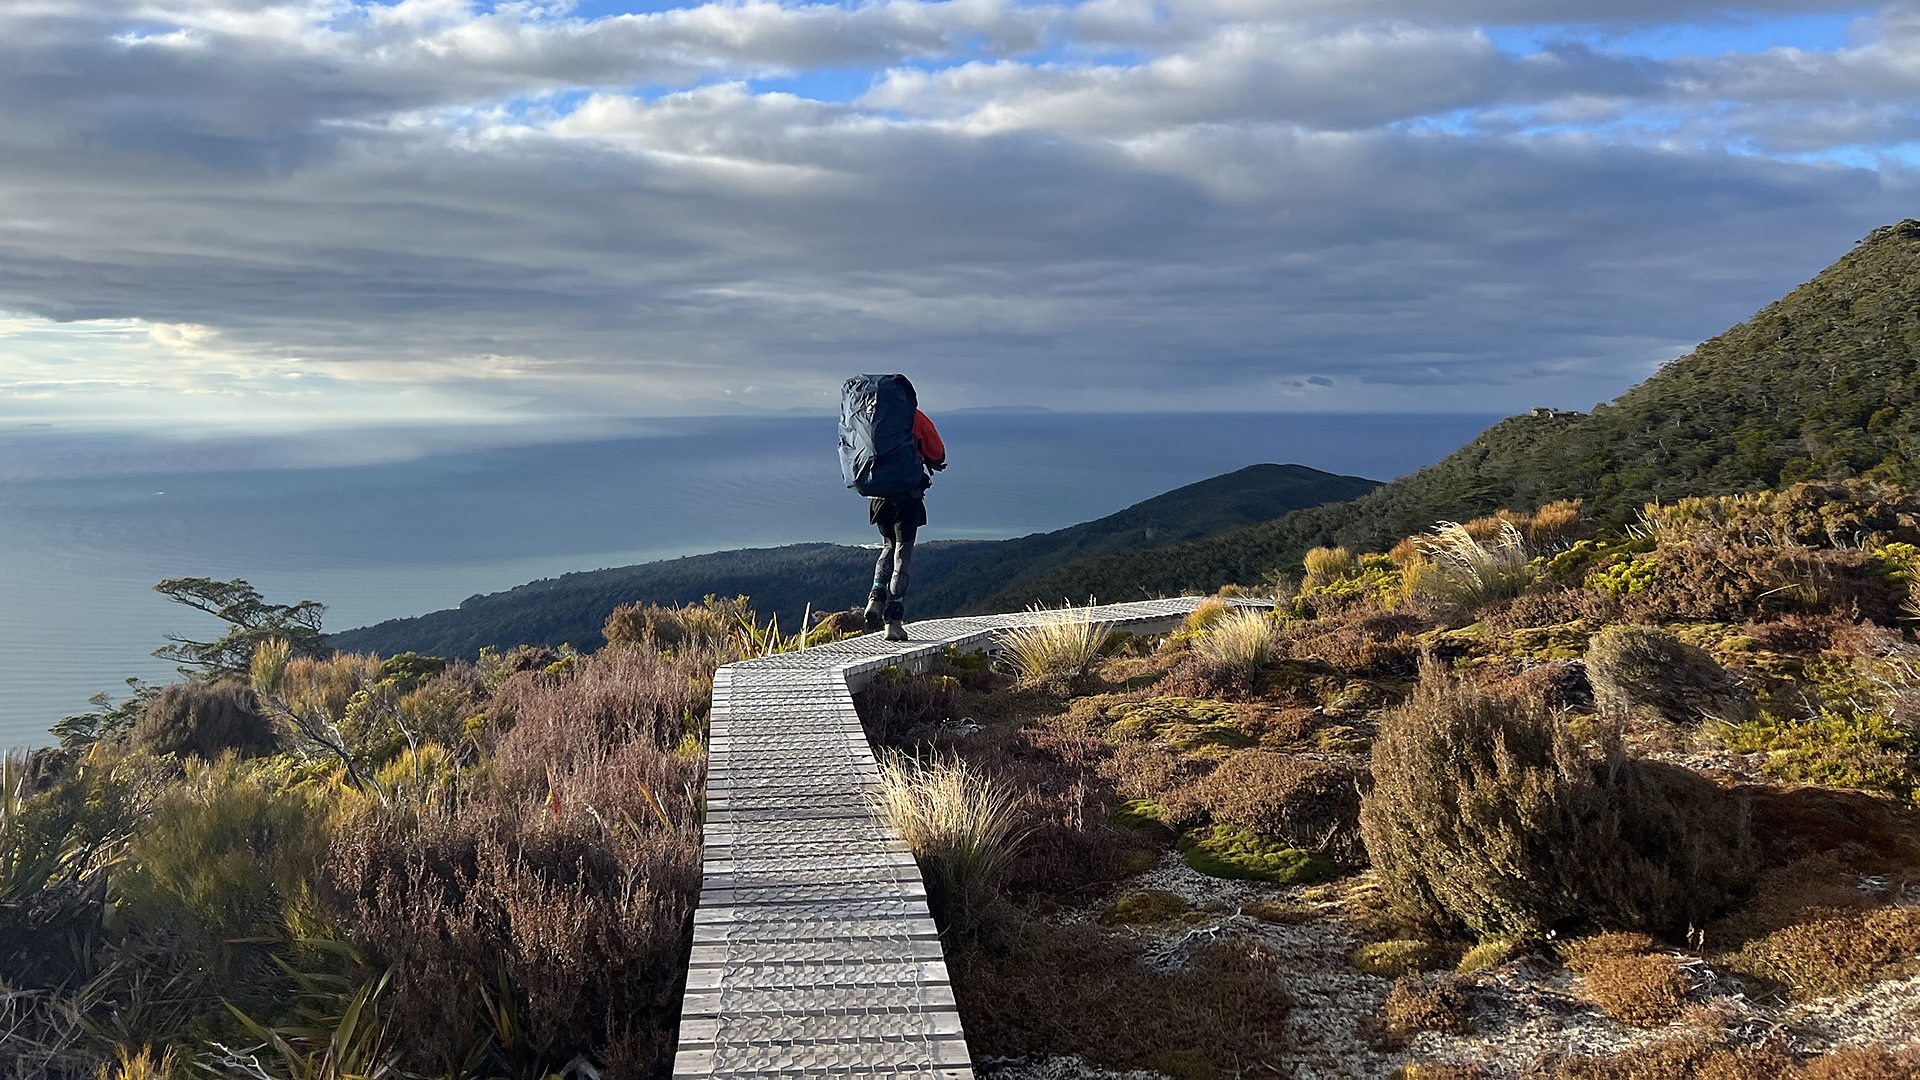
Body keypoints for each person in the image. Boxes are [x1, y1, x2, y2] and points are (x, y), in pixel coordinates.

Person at [865, 378, 945, 641]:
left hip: (877, 497)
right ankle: (893, 621)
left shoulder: (869, 417)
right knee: (903, 553)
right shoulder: (915, 418)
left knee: (887, 546)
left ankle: (875, 597)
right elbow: (937, 452)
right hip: (907, 498)